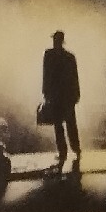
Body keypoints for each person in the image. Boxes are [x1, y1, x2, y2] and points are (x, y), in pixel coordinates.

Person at [41, 30, 81, 169]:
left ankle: (64, 152)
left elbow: (46, 75)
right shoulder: (69, 57)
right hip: (67, 96)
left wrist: (46, 93)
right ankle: (75, 150)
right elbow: (74, 77)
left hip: (57, 96)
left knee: (60, 125)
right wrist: (76, 94)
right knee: (69, 124)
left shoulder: (49, 55)